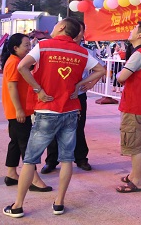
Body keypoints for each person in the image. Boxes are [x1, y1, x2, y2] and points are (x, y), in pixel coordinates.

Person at [3, 18, 105, 218]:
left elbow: (22, 67)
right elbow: (101, 69)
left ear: (62, 27)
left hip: (46, 110)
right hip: (70, 111)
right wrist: (81, 85)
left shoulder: (44, 46)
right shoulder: (81, 52)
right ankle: (59, 203)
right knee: (67, 159)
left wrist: (38, 89)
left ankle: (18, 205)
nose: (55, 27)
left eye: (57, 24)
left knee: (30, 159)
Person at [41, 21, 94, 174]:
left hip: (77, 96)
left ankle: (81, 158)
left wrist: (88, 84)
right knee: (52, 128)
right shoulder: (52, 47)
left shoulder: (85, 52)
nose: (77, 34)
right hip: (55, 95)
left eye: (80, 31)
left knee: (78, 128)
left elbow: (101, 68)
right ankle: (51, 160)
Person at [1, 33, 51, 192]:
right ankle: (34, 179)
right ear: (15, 48)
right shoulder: (14, 63)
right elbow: (12, 87)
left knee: (16, 142)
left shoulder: (17, 61)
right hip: (18, 110)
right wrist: (19, 110)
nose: (29, 48)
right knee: (26, 144)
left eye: (30, 45)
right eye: (26, 45)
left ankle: (11, 174)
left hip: (18, 110)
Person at [115, 21, 141, 193]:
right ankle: (134, 175)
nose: (130, 31)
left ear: (140, 35)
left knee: (135, 147)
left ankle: (137, 181)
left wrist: (119, 74)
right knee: (138, 142)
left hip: (134, 106)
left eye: (133, 29)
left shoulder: (139, 54)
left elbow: (121, 77)